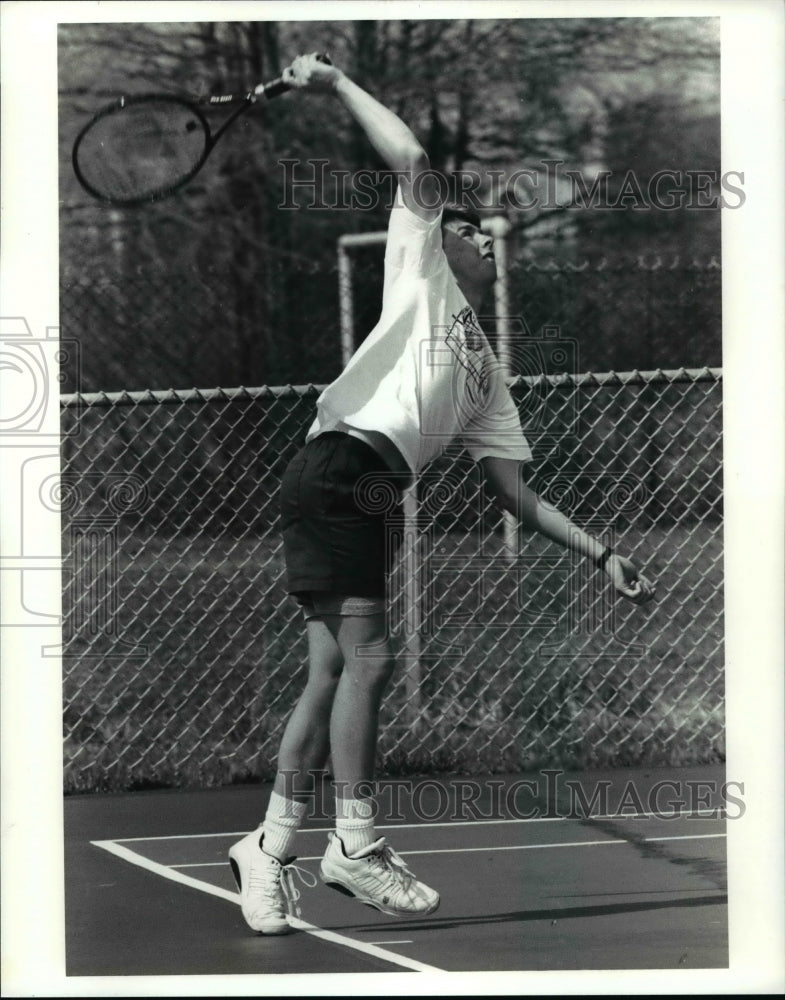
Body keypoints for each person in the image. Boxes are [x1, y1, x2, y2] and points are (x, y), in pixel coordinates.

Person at [228, 54, 655, 935]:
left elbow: (518, 497)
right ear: (440, 238)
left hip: (371, 494)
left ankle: (266, 850)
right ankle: (352, 844)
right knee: (373, 663)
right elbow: (414, 158)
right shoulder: (419, 270)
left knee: (331, 674)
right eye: (471, 227)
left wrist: (603, 553)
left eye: (492, 232)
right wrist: (336, 82)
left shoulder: (485, 377)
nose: (486, 236)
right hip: (339, 465)